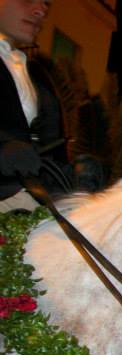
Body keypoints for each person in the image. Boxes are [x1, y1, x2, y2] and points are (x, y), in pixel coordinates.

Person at [0, 0, 72, 211]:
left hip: (36, 204)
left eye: (46, 4)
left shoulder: (40, 75)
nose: (41, 11)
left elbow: (51, 146)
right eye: (27, 0)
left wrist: (75, 176)